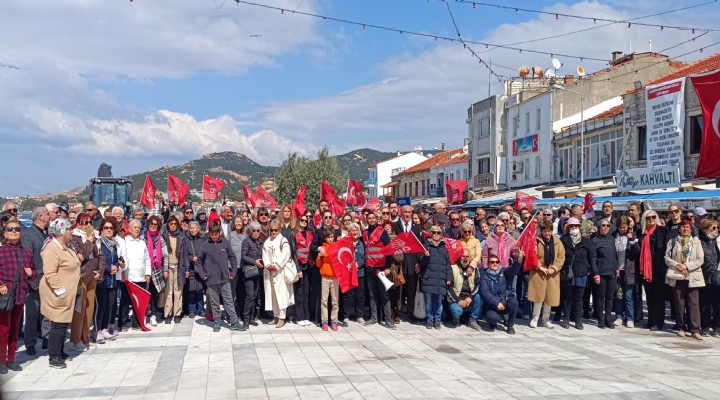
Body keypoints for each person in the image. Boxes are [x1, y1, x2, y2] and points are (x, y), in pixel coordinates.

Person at [40, 219, 80, 369]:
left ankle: (60, 351)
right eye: (70, 229)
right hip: (57, 292)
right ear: (62, 232)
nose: (72, 232)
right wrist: (60, 291)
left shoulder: (66, 247)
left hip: (67, 292)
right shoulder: (52, 248)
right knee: (58, 324)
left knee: (63, 323)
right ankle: (54, 356)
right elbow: (49, 272)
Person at [0, 220, 38, 373]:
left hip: (20, 294)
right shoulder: (1, 252)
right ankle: (2, 361)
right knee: (3, 329)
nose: (14, 231)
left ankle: (11, 360)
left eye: (17, 229)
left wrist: (31, 274)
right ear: (5, 233)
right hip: (5, 295)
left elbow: (34, 271)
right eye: (10, 229)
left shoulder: (26, 251)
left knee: (15, 329)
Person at [198, 221, 244, 332]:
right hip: (211, 279)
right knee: (214, 302)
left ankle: (234, 322)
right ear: (209, 234)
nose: (214, 236)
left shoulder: (225, 243)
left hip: (224, 278)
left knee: (228, 301)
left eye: (216, 234)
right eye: (212, 234)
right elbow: (199, 261)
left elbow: (232, 257)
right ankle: (217, 320)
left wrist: (233, 272)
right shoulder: (204, 245)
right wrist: (203, 274)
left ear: (219, 233)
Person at [68, 213, 104, 351]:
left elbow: (101, 256)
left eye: (89, 222)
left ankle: (85, 336)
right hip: (81, 276)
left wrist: (100, 272)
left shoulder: (95, 237)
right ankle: (76, 339)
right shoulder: (74, 238)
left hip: (92, 276)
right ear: (78, 224)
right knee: (79, 308)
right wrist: (89, 241)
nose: (88, 225)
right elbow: (80, 256)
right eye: (85, 222)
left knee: (89, 309)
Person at [665, 219, 704, 340]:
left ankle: (695, 329)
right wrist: (679, 266)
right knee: (679, 303)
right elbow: (667, 257)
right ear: (679, 229)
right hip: (677, 275)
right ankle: (681, 326)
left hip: (692, 276)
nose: (685, 229)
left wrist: (687, 266)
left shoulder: (696, 242)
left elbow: (700, 259)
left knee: (693, 303)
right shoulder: (673, 241)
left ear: (691, 229)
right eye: (682, 227)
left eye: (687, 227)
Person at [21, 206, 50, 355]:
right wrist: (33, 281)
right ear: (40, 216)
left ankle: (47, 339)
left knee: (47, 313)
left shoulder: (46, 234)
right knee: (32, 315)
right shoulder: (28, 234)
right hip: (34, 281)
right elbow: (26, 260)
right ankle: (30, 344)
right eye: (47, 214)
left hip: (47, 280)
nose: (49, 216)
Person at [559, 218, 596, 330]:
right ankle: (566, 319)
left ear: (579, 227)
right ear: (568, 227)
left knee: (579, 298)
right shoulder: (563, 240)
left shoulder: (586, 241)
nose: (574, 228)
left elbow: (591, 257)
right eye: (572, 226)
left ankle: (578, 321)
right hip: (568, 272)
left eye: (576, 226)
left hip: (581, 272)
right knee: (567, 297)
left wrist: (592, 270)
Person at [529, 220, 565, 329]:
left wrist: (554, 268)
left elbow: (561, 257)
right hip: (538, 272)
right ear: (541, 231)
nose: (547, 233)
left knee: (550, 297)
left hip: (552, 274)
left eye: (549, 231)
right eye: (545, 231)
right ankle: (535, 318)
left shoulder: (557, 241)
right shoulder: (536, 241)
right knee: (538, 297)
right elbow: (532, 255)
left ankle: (545, 319)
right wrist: (539, 266)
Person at [363, 211, 393, 328]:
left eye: (372, 218)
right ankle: (374, 318)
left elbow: (389, 250)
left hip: (381, 269)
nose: (371, 220)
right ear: (366, 220)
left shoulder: (382, 232)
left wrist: (388, 267)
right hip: (370, 268)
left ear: (376, 219)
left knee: (384, 294)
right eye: (369, 218)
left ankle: (388, 319)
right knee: (372, 294)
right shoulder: (364, 233)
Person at [119, 219, 151, 330]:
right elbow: (121, 258)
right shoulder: (124, 242)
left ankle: (137, 323)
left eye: (138, 227)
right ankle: (122, 323)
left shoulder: (142, 242)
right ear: (130, 229)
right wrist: (122, 271)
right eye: (135, 227)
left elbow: (147, 259)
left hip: (141, 277)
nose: (137, 229)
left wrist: (148, 273)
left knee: (139, 302)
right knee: (125, 301)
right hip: (128, 276)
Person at [96, 218, 124, 342]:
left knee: (110, 305)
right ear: (101, 230)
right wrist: (108, 268)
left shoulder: (114, 245)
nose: (108, 230)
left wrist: (116, 266)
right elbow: (97, 261)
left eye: (111, 228)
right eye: (106, 228)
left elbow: (118, 260)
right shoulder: (98, 244)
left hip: (112, 280)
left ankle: (105, 328)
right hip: (102, 280)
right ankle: (97, 331)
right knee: (101, 306)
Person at [639, 210, 668, 331]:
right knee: (649, 297)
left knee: (658, 297)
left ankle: (658, 322)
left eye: (653, 217)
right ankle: (650, 320)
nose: (651, 219)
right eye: (648, 217)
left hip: (657, 269)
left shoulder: (661, 231)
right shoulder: (641, 233)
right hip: (645, 270)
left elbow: (663, 250)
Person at [393, 205, 422, 323]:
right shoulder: (395, 226)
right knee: (399, 291)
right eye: (405, 212)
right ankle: (397, 314)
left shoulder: (416, 227)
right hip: (399, 263)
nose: (407, 214)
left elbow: (419, 246)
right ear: (401, 212)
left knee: (411, 291)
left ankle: (411, 313)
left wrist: (418, 262)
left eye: (409, 212)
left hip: (412, 263)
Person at [262, 220, 294, 328]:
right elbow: (264, 254)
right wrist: (268, 265)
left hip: (280, 272)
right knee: (273, 295)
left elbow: (286, 254)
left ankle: (282, 317)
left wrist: (276, 265)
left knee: (281, 295)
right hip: (270, 272)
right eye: (271, 230)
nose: (273, 232)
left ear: (279, 230)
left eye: (275, 230)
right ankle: (275, 316)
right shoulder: (267, 241)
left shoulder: (283, 240)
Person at [420, 225, 452, 330]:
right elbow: (421, 263)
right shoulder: (426, 245)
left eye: (438, 232)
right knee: (428, 301)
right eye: (434, 232)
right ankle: (429, 319)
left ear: (441, 234)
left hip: (440, 278)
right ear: (430, 233)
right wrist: (425, 256)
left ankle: (437, 319)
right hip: (429, 278)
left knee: (438, 301)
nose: (436, 234)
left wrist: (449, 277)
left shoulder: (444, 248)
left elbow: (447, 264)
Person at [480, 253, 520, 334]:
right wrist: (496, 303)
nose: (495, 264)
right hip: (491, 305)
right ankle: (492, 322)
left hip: (503, 302)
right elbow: (485, 292)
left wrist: (519, 260)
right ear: (488, 264)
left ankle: (510, 325)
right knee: (494, 318)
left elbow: (513, 270)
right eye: (492, 262)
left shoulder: (503, 272)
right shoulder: (484, 275)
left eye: (497, 262)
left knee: (514, 303)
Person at [592, 218, 619, 329]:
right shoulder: (595, 240)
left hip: (611, 272)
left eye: (608, 225)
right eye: (603, 225)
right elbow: (593, 258)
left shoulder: (612, 238)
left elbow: (614, 255)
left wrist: (616, 269)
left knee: (610, 297)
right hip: (601, 272)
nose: (606, 227)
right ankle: (601, 319)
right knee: (600, 297)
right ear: (599, 227)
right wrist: (595, 273)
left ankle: (608, 318)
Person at [613, 216, 640, 328]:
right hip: (617, 270)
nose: (623, 229)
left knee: (628, 296)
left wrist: (632, 240)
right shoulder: (614, 236)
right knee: (618, 295)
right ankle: (619, 316)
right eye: (620, 228)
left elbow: (637, 252)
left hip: (629, 270)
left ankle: (630, 318)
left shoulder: (632, 236)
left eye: (624, 227)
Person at [447, 249, 482, 330]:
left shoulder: (475, 269)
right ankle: (456, 318)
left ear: (470, 258)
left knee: (478, 297)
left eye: (467, 257)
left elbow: (478, 285)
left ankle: (472, 320)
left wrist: (470, 297)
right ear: (459, 257)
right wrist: (458, 300)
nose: (465, 259)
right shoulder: (453, 268)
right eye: (463, 256)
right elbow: (449, 288)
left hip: (468, 298)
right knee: (457, 311)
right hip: (456, 298)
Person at [162, 216, 188, 324]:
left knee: (178, 290)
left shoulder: (181, 237)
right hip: (168, 266)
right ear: (168, 225)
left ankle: (177, 313)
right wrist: (164, 269)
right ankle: (168, 313)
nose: (173, 225)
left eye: (175, 224)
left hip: (179, 266)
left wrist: (187, 268)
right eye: (171, 223)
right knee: (168, 291)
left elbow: (185, 254)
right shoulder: (164, 236)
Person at [315, 228, 340, 331]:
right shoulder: (322, 248)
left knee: (335, 301)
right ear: (325, 238)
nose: (330, 239)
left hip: (335, 277)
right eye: (328, 237)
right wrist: (318, 257)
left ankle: (334, 321)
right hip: (325, 277)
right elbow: (318, 264)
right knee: (324, 300)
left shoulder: (337, 247)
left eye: (332, 237)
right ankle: (324, 321)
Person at [144, 215, 167, 326]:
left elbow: (165, 255)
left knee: (155, 293)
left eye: (155, 224)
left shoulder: (160, 238)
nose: (153, 226)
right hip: (146, 269)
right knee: (145, 293)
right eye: (151, 224)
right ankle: (143, 315)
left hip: (157, 269)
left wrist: (165, 270)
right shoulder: (143, 237)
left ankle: (153, 314)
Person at [241, 221, 264, 328]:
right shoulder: (246, 241)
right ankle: (245, 319)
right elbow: (243, 256)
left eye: (257, 231)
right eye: (253, 230)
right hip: (249, 272)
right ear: (250, 231)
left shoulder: (261, 242)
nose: (255, 232)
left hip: (258, 272)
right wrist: (255, 261)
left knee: (255, 296)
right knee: (249, 296)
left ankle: (251, 317)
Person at [699, 219, 720, 336]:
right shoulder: (700, 242)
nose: (716, 230)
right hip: (705, 276)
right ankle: (705, 326)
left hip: (718, 276)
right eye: (713, 228)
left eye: (717, 228)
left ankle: (717, 327)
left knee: (718, 304)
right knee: (705, 304)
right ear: (705, 229)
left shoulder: (718, 241)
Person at [343, 223, 366, 324]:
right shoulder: (345, 243)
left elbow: (365, 257)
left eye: (357, 230)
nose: (355, 232)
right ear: (349, 233)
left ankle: (359, 315)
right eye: (353, 230)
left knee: (360, 295)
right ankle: (346, 316)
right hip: (348, 273)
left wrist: (358, 265)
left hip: (360, 273)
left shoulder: (362, 243)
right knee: (348, 295)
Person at [184, 221, 206, 319]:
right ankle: (191, 309)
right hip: (191, 267)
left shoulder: (202, 240)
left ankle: (201, 309)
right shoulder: (186, 240)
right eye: (191, 228)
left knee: (200, 290)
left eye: (194, 228)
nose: (192, 230)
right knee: (192, 290)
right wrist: (191, 258)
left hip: (200, 267)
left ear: (198, 229)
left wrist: (199, 258)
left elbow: (205, 253)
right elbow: (185, 254)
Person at [229, 215, 246, 318]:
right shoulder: (230, 236)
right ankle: (230, 313)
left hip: (243, 268)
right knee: (231, 292)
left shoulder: (245, 236)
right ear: (234, 224)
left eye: (240, 222)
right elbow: (226, 252)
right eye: (237, 222)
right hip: (232, 268)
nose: (239, 223)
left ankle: (240, 312)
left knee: (241, 292)